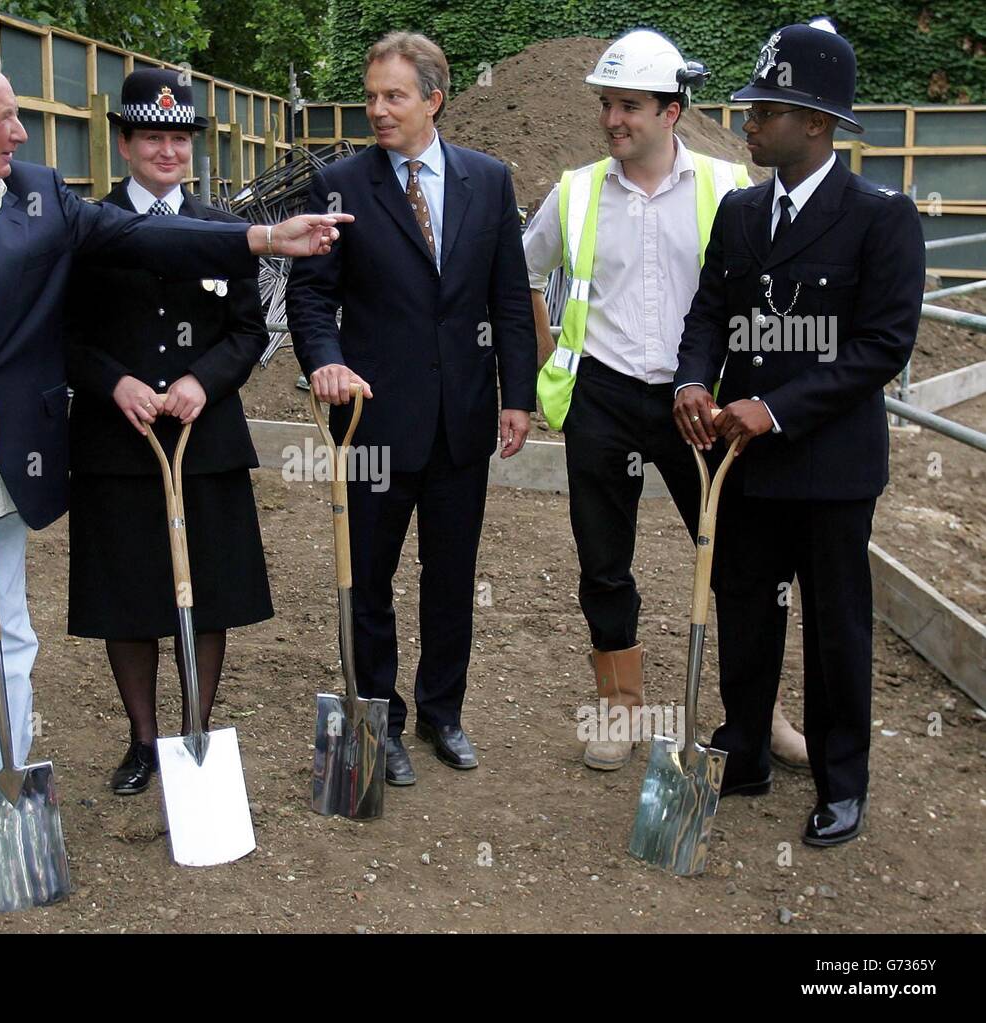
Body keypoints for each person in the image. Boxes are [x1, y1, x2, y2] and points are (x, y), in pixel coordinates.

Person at [0, 46, 348, 857]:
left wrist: (262, 236)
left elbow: (142, 239)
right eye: (3, 118)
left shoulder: (36, 195)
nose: (21, 131)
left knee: (5, 631)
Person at [673, 22, 924, 846]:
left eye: (765, 111)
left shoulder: (880, 219)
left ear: (817, 123)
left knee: (834, 626)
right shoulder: (741, 213)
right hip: (742, 465)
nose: (747, 124)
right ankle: (743, 749)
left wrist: (774, 408)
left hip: (829, 469)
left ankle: (839, 779)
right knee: (745, 612)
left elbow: (880, 347)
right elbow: (709, 312)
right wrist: (692, 382)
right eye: (751, 109)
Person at [287, 32, 536, 786]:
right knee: (366, 578)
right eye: (371, 96)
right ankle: (377, 719)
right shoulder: (339, 185)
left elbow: (510, 301)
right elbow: (311, 296)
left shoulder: (489, 182)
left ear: (433, 98)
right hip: (371, 424)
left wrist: (517, 397)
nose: (377, 109)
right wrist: (325, 360)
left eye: (393, 96)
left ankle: (442, 712)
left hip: (460, 420)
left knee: (450, 577)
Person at [524, 30, 763, 771]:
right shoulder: (577, 191)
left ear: (673, 110)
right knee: (604, 561)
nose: (612, 119)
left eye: (629, 106)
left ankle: (757, 714)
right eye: (607, 105)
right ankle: (620, 707)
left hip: (704, 404)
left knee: (737, 561)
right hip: (604, 398)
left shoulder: (731, 187)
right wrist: (549, 359)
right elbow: (524, 273)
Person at [64, 69, 273, 794]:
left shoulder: (224, 230)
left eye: (179, 138)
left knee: (207, 590)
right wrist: (112, 380)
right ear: (123, 143)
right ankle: (144, 740)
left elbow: (250, 332)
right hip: (116, 443)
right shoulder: (85, 226)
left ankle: (195, 733)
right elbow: (62, 335)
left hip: (203, 439)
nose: (167, 151)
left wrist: (200, 382)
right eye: (152, 136)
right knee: (127, 592)